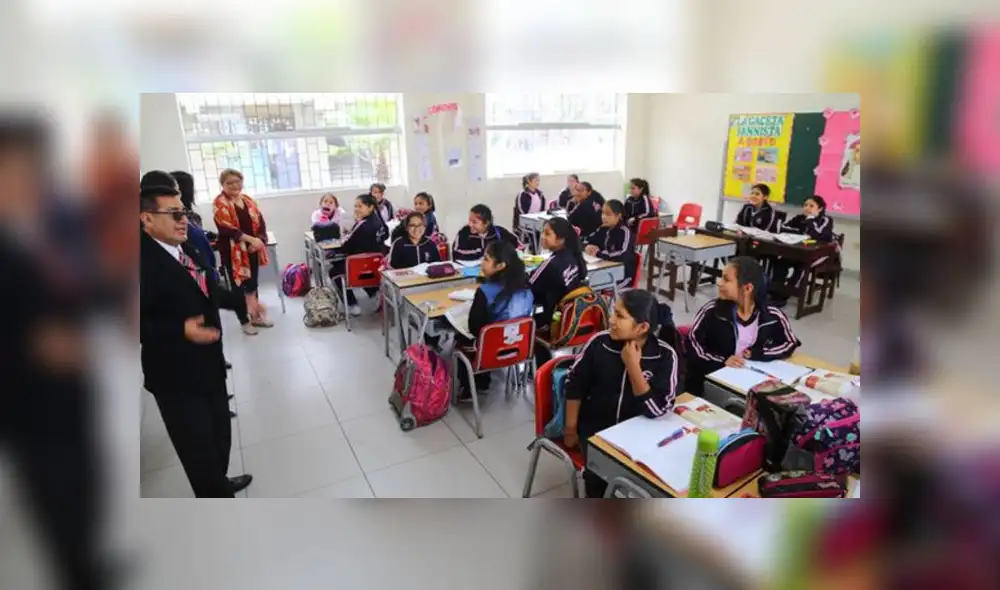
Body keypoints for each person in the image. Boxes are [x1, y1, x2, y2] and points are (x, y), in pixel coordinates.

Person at [140, 184, 253, 498]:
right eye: (174, 213)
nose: (183, 221)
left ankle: (220, 480)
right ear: (146, 218)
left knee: (220, 440)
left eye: (184, 212)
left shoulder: (183, 246)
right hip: (176, 378)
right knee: (198, 457)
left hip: (209, 366)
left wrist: (240, 302)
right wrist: (179, 330)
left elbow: (206, 289)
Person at [563, 290, 679, 497]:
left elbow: (656, 409)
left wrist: (633, 366)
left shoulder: (664, 355)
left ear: (642, 327)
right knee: (600, 485)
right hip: (597, 434)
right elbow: (574, 384)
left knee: (650, 487)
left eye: (620, 316)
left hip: (640, 439)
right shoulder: (600, 343)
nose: (611, 319)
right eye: (613, 313)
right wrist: (571, 428)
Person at [685, 256, 800, 395]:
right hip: (710, 382)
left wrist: (759, 354)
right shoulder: (712, 312)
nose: (719, 283)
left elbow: (790, 343)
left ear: (747, 288)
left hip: (750, 381)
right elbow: (692, 345)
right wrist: (722, 361)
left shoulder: (772, 316)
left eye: (726, 280)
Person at [454, 240, 534, 398]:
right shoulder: (526, 288)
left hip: (490, 351)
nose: (481, 263)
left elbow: (474, 328)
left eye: (486, 259)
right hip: (519, 349)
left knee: (460, 337)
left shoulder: (485, 291)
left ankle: (471, 386)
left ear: (500, 266)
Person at [212, 168, 274, 335]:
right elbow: (226, 229)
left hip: (252, 249)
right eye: (229, 183)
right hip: (233, 254)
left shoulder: (248, 200)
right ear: (222, 185)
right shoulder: (219, 203)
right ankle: (244, 321)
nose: (234, 185)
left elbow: (260, 223)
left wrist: (260, 240)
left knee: (252, 284)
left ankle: (256, 317)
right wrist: (250, 240)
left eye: (237, 181)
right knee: (238, 287)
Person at [530, 217, 588, 360]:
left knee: (527, 322)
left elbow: (529, 286)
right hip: (572, 316)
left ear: (561, 239)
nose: (542, 236)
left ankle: (540, 366)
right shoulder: (574, 256)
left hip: (554, 321)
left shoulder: (551, 263)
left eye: (547, 234)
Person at [770, 195, 837, 306]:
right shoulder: (800, 217)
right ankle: (775, 291)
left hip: (821, 254)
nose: (807, 208)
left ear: (819, 209)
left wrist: (810, 220)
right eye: (805, 205)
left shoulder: (826, 220)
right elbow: (784, 228)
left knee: (801, 266)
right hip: (800, 251)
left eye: (811, 206)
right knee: (780, 262)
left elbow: (818, 235)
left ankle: (786, 294)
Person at [335, 193, 389, 315]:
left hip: (359, 268)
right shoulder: (379, 221)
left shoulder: (363, 225)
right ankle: (374, 293)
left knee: (334, 271)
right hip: (376, 266)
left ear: (370, 207)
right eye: (355, 206)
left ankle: (352, 304)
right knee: (360, 265)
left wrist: (336, 250)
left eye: (360, 206)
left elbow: (347, 247)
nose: (356, 209)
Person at [584, 199, 636, 290]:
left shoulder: (624, 231)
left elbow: (623, 254)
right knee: (585, 283)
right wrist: (587, 246)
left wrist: (599, 253)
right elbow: (588, 240)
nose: (603, 217)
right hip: (605, 269)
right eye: (602, 213)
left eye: (608, 214)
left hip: (622, 275)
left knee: (591, 287)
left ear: (619, 216)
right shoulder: (603, 228)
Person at [452, 204, 521, 262]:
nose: (470, 224)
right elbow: (456, 253)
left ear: (486, 223)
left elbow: (518, 246)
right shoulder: (464, 232)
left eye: (474, 222)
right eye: (469, 220)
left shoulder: (499, 232)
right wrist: (483, 252)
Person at [513, 172, 545, 237]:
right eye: (536, 180)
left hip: (537, 221)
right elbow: (520, 211)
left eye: (539, 180)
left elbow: (542, 210)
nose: (538, 182)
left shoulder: (540, 194)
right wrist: (530, 219)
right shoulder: (522, 195)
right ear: (529, 182)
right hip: (525, 222)